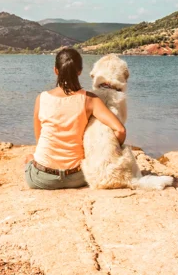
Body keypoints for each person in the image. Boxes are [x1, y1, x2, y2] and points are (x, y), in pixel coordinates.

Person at [24, 47, 126, 190]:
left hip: (42, 178)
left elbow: (39, 139)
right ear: (79, 71)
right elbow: (120, 130)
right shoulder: (90, 100)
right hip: (77, 177)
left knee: (29, 158)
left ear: (56, 70)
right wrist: (113, 148)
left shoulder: (41, 98)